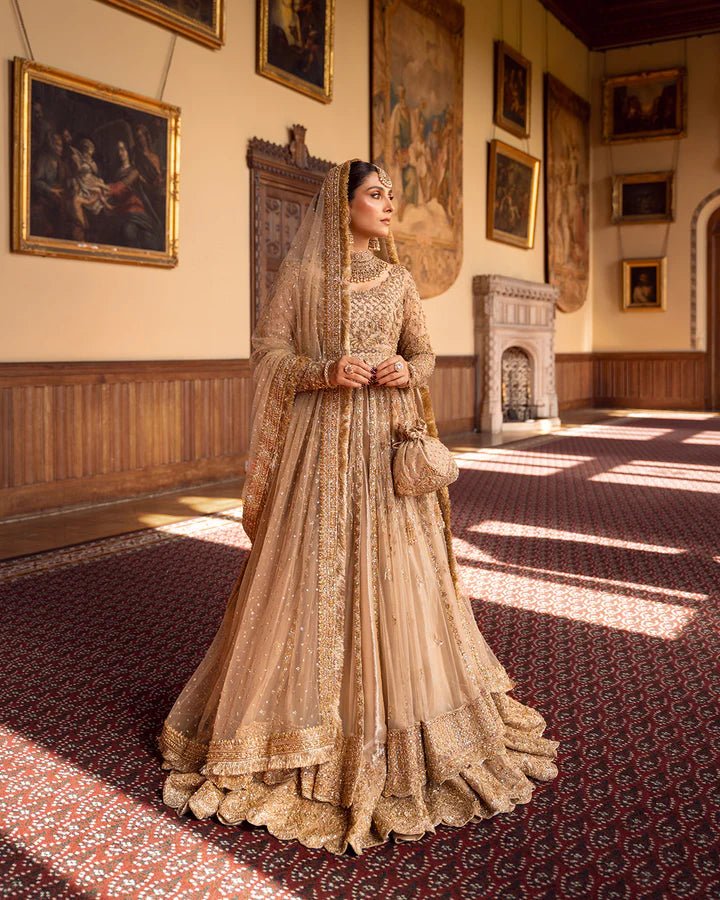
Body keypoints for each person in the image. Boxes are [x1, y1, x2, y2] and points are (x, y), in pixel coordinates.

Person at [158, 159, 559, 855]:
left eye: (391, 196)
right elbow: (268, 351)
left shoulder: (400, 280)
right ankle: (302, 726)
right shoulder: (305, 279)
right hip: (320, 448)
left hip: (385, 449)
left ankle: (406, 722)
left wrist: (409, 369)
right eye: (376, 194)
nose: (387, 205)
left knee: (397, 573)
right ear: (341, 204)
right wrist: (322, 370)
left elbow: (425, 353)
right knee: (310, 570)